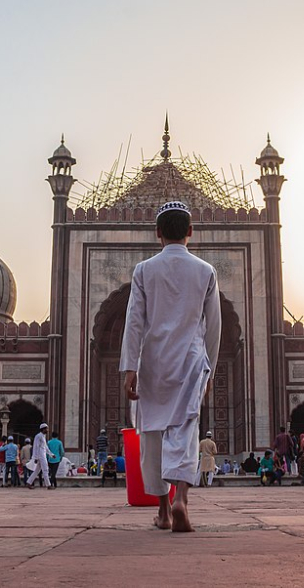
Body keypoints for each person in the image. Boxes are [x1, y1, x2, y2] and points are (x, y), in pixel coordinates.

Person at [120, 201, 222, 533]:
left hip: (153, 360)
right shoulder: (206, 271)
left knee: (152, 434)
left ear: (158, 233)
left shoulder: (144, 270)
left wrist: (129, 368)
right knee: (185, 430)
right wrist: (210, 370)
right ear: (190, 232)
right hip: (191, 359)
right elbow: (215, 326)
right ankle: (182, 500)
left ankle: (163, 511)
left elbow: (134, 322)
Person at [27, 423, 55, 490]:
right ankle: (48, 485)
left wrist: (51, 454)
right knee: (45, 469)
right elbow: (36, 447)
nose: (47, 430)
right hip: (40, 456)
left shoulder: (43, 436)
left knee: (37, 471)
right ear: (43, 429)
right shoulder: (38, 436)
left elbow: (45, 447)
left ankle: (29, 482)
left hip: (43, 454)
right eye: (46, 429)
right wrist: (36, 457)